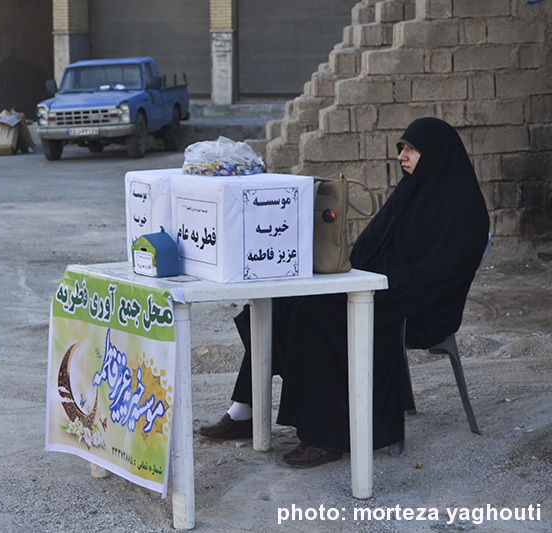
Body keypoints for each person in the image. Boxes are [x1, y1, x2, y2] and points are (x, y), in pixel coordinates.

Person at [198, 117, 490, 468]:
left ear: (437, 154)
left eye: (412, 149)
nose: (402, 156)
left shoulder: (463, 207)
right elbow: (369, 248)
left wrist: (379, 292)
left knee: (316, 314)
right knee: (278, 305)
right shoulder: (413, 191)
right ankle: (243, 411)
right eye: (402, 148)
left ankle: (325, 436)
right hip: (383, 288)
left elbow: (439, 275)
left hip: (420, 310)